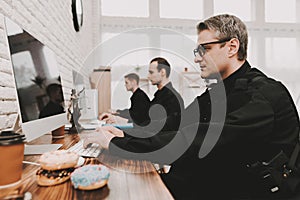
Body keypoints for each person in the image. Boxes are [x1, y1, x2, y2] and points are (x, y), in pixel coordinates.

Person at [84, 14, 300, 199]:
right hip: (210, 182)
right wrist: (126, 136)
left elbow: (194, 139)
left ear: (232, 47)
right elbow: (178, 123)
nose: (197, 59)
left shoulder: (263, 95)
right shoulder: (218, 92)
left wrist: (117, 144)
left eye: (204, 49)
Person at [101, 57, 184, 132]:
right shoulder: (161, 95)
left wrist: (124, 121)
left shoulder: (172, 98)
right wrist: (120, 118)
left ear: (162, 72)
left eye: (151, 72)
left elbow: (155, 127)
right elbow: (145, 119)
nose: (148, 76)